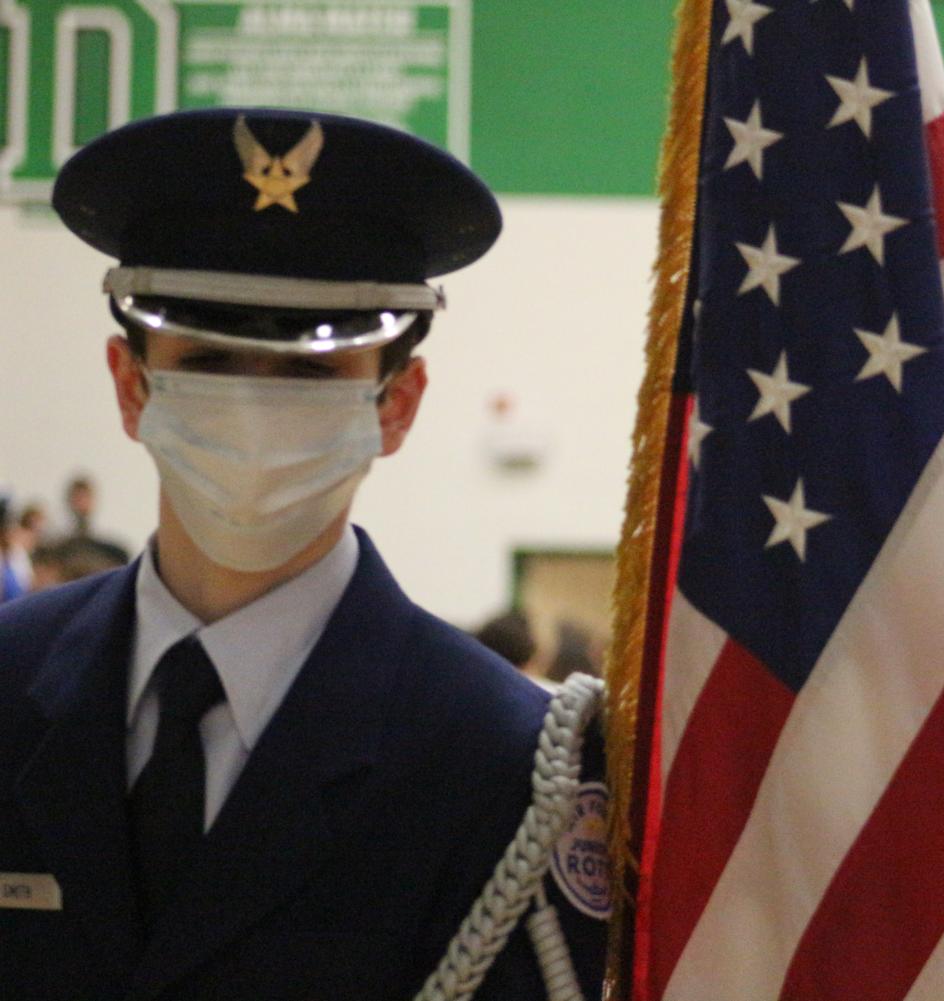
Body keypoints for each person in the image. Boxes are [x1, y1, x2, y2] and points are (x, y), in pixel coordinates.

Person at [0, 108, 606, 1000]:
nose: (252, 408)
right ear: (130, 387)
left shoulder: (502, 766)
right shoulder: (9, 682)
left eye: (312, 374)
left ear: (396, 405)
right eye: (208, 358)